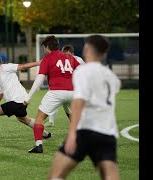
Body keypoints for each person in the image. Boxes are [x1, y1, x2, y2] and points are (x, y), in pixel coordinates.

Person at [48, 35, 121, 180]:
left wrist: (72, 133)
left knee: (56, 175)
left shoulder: (83, 71)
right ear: (104, 54)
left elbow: (79, 102)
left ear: (86, 48)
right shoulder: (112, 77)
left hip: (86, 131)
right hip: (108, 132)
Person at [24, 35, 81, 153]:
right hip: (72, 92)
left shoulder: (47, 58)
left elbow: (39, 80)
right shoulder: (69, 57)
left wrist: (28, 97)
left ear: (46, 47)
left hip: (56, 92)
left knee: (39, 118)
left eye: (44, 48)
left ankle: (38, 145)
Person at [45, 44, 85, 127]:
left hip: (76, 86)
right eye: (64, 53)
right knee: (60, 100)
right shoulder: (60, 60)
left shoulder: (78, 60)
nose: (66, 56)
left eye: (68, 53)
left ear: (72, 53)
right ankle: (51, 121)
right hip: (65, 86)